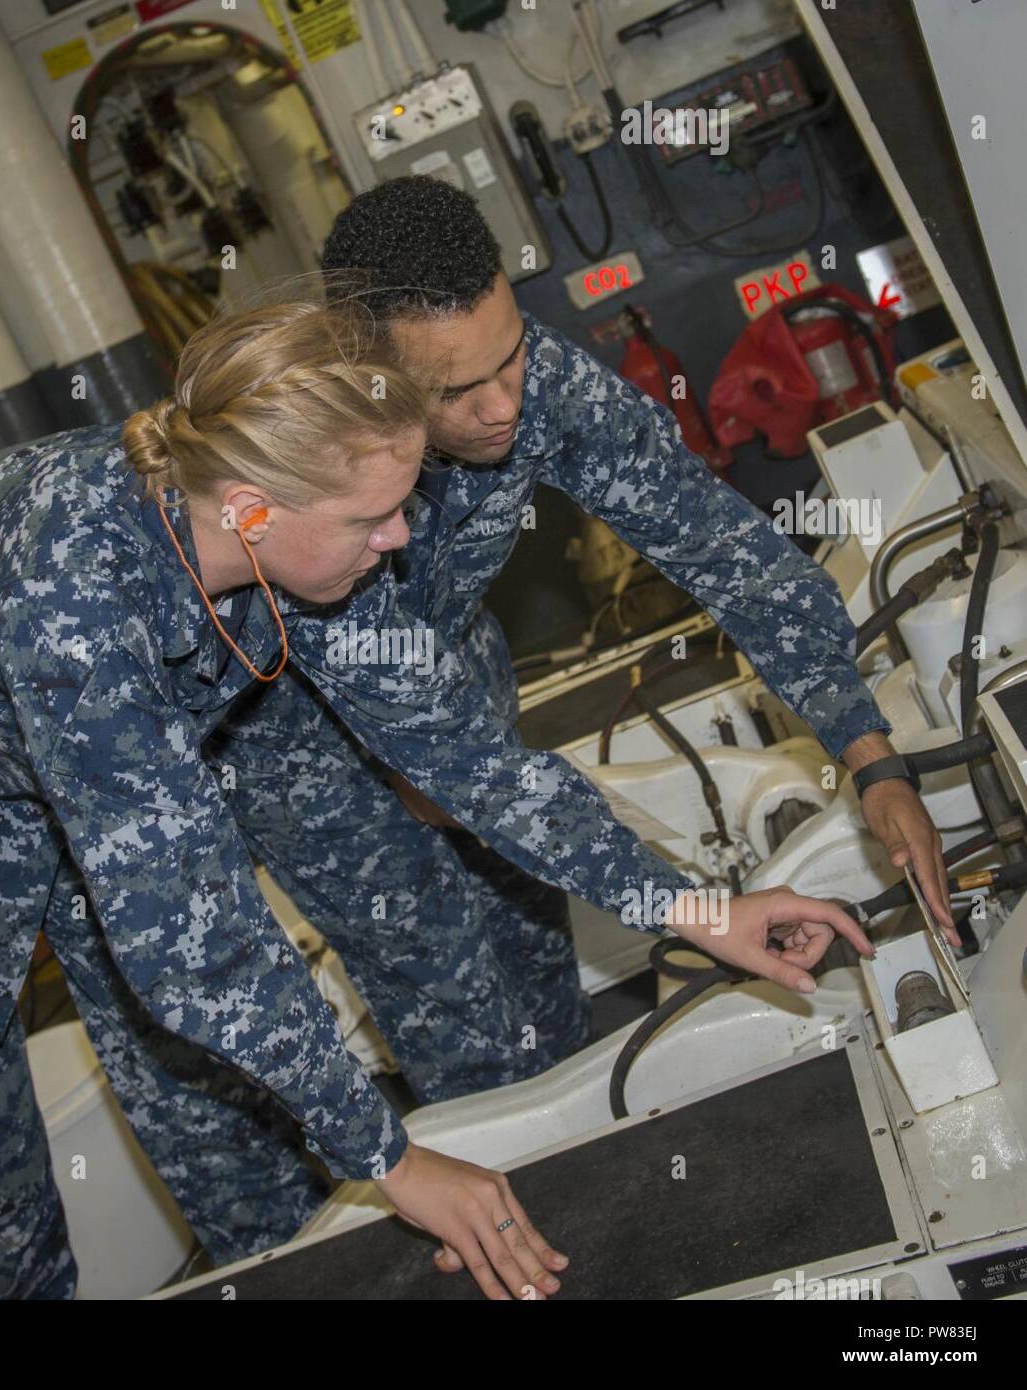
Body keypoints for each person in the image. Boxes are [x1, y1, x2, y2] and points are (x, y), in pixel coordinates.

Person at [201, 177, 955, 1279]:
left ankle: (587, 1194)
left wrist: (864, 745)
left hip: (458, 693)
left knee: (541, 983)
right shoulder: (315, 473)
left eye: (507, 354)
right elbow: (454, 765)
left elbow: (721, 549)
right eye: (454, 389)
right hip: (313, 762)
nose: (502, 404)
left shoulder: (525, 381)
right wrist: (700, 909)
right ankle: (510, 1242)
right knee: (464, 1018)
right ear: (369, 378)